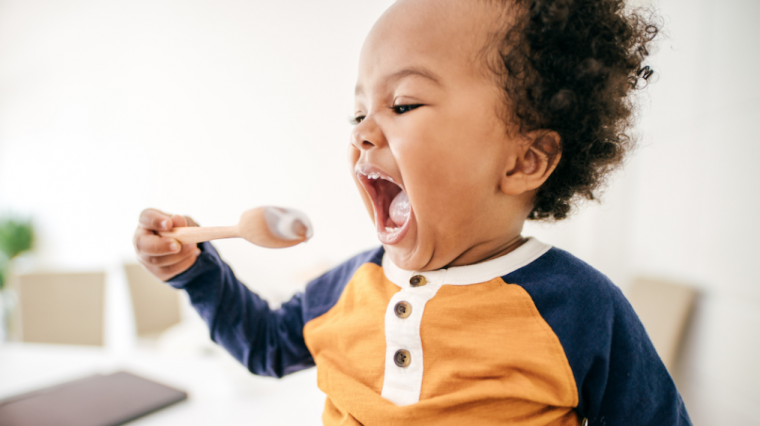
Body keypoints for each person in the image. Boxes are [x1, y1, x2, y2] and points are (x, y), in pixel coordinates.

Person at [133, 0, 691, 424]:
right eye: (357, 115)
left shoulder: (578, 307)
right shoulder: (352, 285)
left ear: (525, 159)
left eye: (403, 104)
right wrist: (194, 271)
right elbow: (265, 345)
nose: (363, 134)